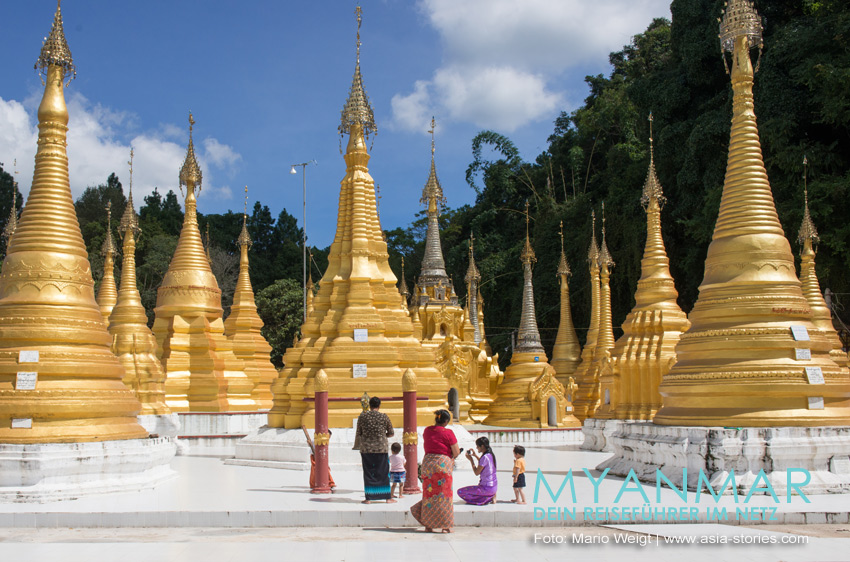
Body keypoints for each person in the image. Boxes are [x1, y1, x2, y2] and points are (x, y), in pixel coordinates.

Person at [410, 409, 460, 533]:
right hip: (442, 465)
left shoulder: (427, 430)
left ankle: (428, 525)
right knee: (444, 494)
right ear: (446, 421)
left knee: (429, 494)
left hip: (428, 464)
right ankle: (445, 526)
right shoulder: (448, 433)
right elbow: (456, 452)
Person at [355, 396, 395, 504]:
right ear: (379, 405)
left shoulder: (362, 417)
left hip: (366, 448)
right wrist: (383, 435)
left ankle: (369, 498)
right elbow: (391, 433)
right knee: (383, 472)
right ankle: (387, 497)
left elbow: (359, 433)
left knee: (368, 472)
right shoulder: (384, 417)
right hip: (381, 448)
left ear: (369, 405)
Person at [457, 436, 498, 505]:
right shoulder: (490, 454)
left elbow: (477, 472)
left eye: (477, 446)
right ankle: (490, 496)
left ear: (482, 446)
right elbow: (483, 465)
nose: (476, 448)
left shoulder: (484, 457)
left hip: (486, 488)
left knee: (460, 492)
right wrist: (475, 455)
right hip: (493, 487)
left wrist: (471, 460)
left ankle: (485, 499)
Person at [304, 426, 336, 492]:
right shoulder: (315, 440)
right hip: (314, 455)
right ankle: (313, 484)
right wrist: (309, 443)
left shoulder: (325, 441)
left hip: (321, 456)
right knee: (314, 469)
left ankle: (330, 482)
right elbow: (310, 443)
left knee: (325, 469)